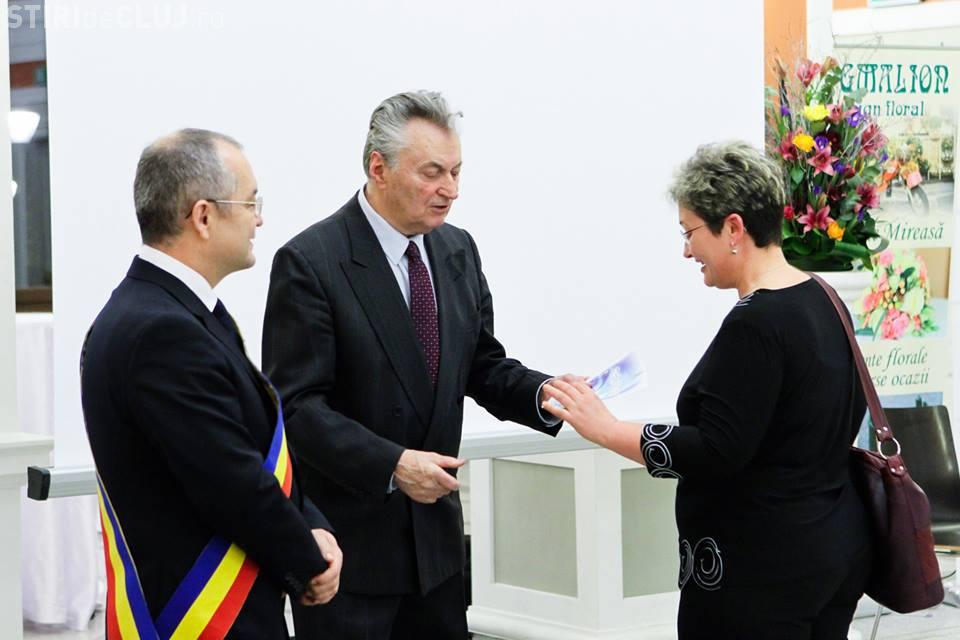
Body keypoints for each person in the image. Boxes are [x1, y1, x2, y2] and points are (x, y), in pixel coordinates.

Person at [262, 91, 573, 640]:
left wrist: (546, 393)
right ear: (378, 168)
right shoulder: (312, 262)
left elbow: (480, 363)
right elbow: (298, 408)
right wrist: (392, 464)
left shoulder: (457, 249)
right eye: (432, 173)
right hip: (351, 560)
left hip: (438, 557)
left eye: (456, 172)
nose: (450, 189)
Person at [542, 141, 873, 640]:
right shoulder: (823, 298)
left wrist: (607, 430)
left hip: (761, 570)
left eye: (690, 232)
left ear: (733, 228)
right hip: (831, 550)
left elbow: (718, 450)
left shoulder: (756, 323)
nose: (686, 251)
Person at [81, 129, 343, 639]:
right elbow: (229, 478)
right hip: (200, 616)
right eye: (250, 203)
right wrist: (306, 560)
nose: (259, 219)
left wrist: (314, 525)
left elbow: (255, 447)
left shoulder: (176, 312)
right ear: (203, 216)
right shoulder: (161, 331)